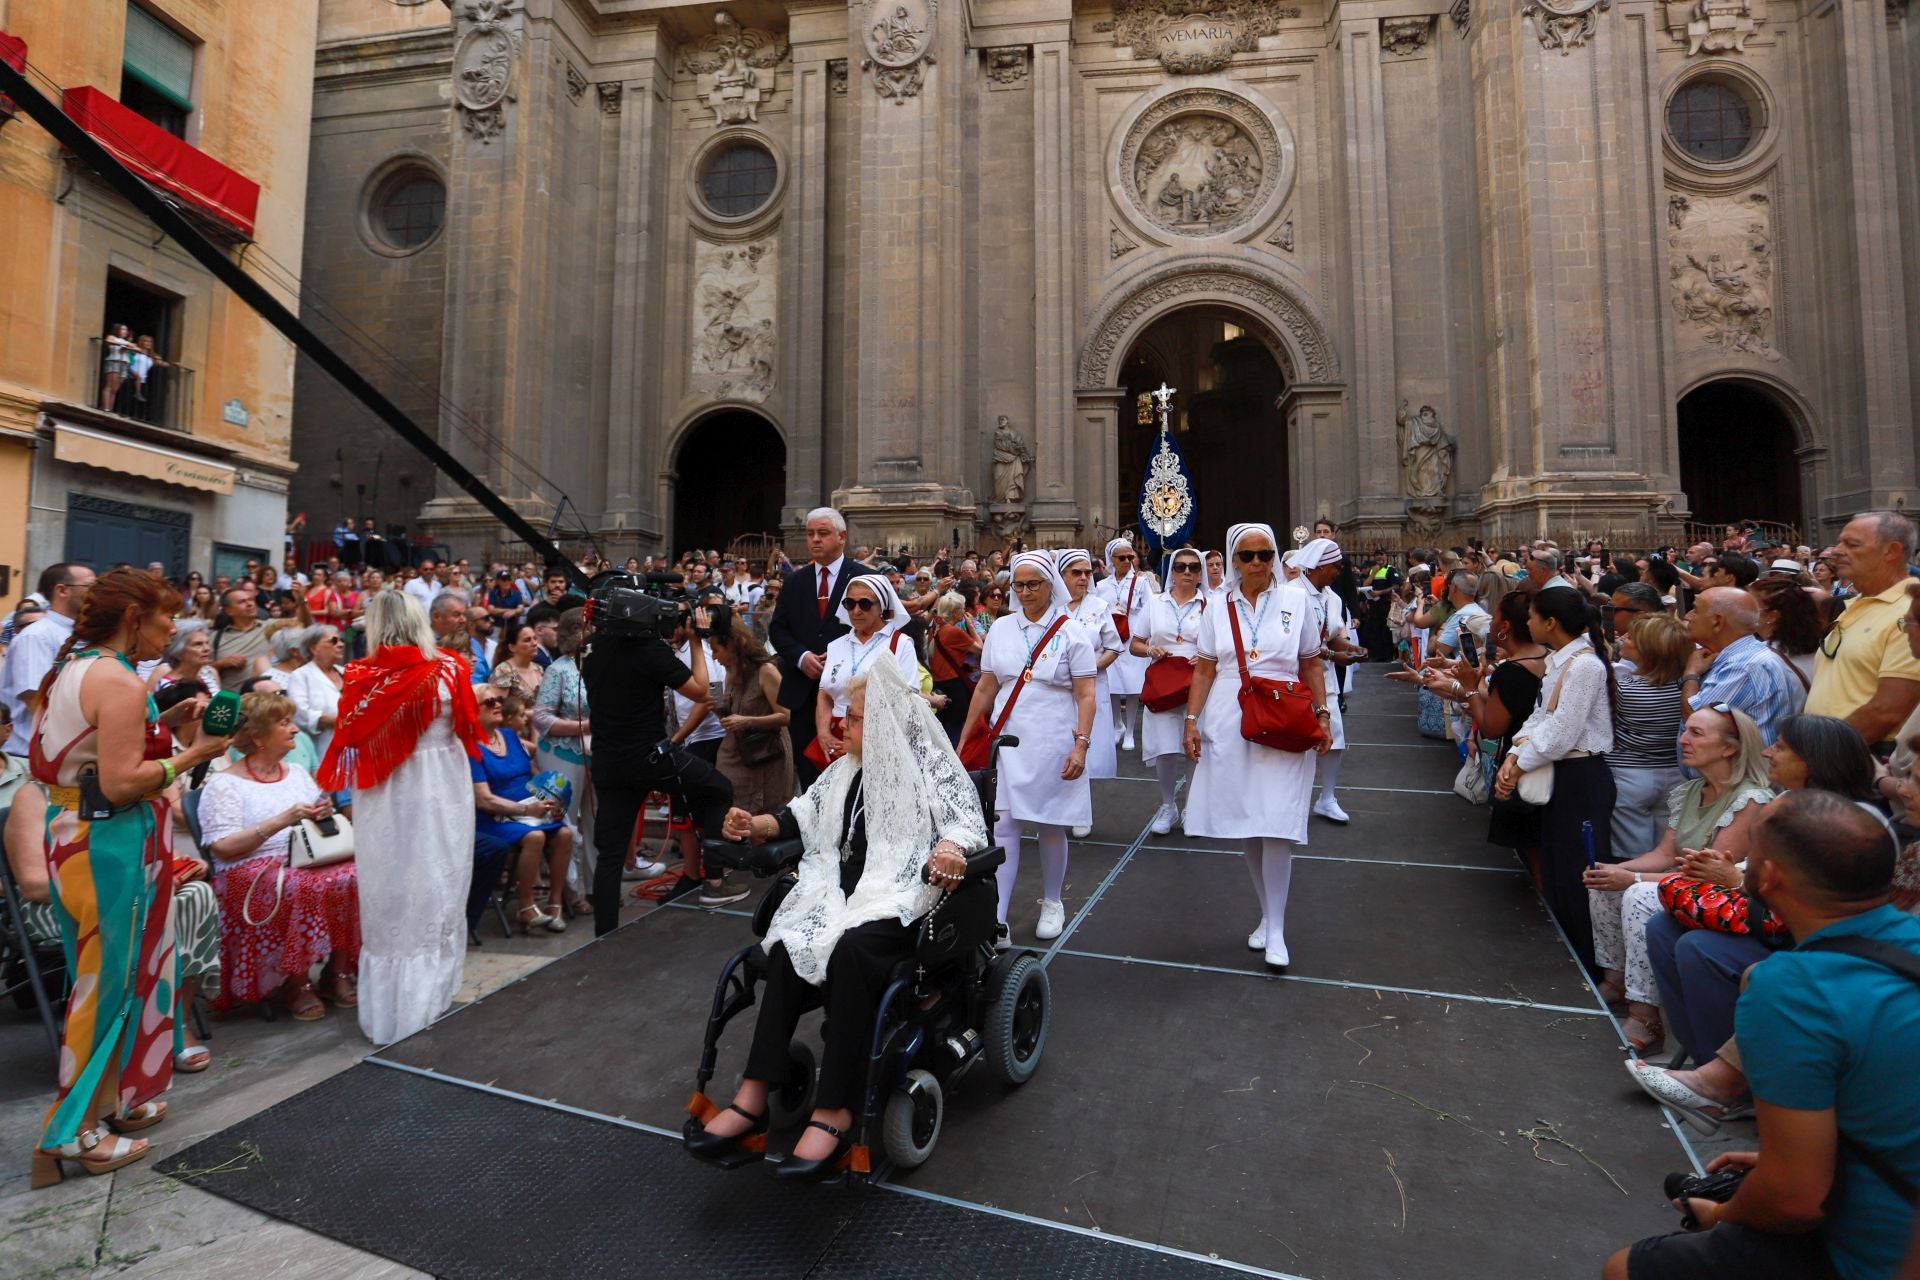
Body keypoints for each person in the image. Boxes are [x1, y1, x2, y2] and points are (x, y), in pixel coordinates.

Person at [688, 658, 987, 1178]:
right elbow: (801, 815)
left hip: (900, 900)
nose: (840, 725)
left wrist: (949, 850)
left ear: (886, 725)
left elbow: (964, 823)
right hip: (838, 897)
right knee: (784, 946)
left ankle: (835, 1109)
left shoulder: (929, 770)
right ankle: (754, 1091)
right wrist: (755, 824)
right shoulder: (843, 771)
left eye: (853, 718)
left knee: (851, 951)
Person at [1604, 790, 1920, 1280]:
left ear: (1768, 876)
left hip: (1869, 1250)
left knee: (1622, 1268)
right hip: (1876, 1183)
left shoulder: (1792, 988)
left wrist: (1723, 1215)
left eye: (1752, 851)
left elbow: (1796, 1199)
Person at [26, 571, 228, 1187]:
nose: (175, 631)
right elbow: (117, 782)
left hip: (76, 837)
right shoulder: (115, 678)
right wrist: (194, 752)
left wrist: (161, 716)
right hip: (109, 842)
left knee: (114, 979)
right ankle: (72, 1134)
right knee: (107, 988)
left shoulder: (73, 668)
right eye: (169, 618)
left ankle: (108, 1105)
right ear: (135, 615)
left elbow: (87, 754)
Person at [314, 592, 481, 1041]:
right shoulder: (448, 669)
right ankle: (428, 1001)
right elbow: (469, 722)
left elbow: (353, 734)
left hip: (383, 791)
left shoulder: (360, 676)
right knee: (435, 885)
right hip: (437, 788)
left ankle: (391, 1011)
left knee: (391, 891)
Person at [1182, 523, 1331, 970]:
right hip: (1231, 717)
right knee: (1249, 820)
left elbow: (1311, 661)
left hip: (1284, 714)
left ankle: (1278, 929)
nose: (1257, 564)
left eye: (1265, 555)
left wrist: (1323, 714)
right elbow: (1205, 669)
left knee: (1279, 822)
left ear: (1275, 555)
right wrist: (1191, 720)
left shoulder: (1296, 600)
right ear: (1233, 561)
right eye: (1247, 557)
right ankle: (1267, 916)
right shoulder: (1216, 606)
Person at [1585, 705, 1773, 1055]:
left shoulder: (1750, 800)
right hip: (1689, 887)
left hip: (1723, 899)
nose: (1683, 740)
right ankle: (1616, 981)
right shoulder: (1690, 791)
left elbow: (1707, 876)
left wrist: (1632, 877)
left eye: (1696, 733)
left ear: (1729, 748)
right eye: (1685, 730)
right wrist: (1615, 870)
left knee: (1638, 893)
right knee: (1606, 883)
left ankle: (1647, 1017)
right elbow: (1666, 854)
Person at [957, 550, 1096, 945]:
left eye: (1034, 584)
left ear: (1050, 584)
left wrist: (1081, 745)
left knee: (1051, 823)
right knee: (1004, 825)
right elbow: (986, 686)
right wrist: (966, 736)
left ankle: (1053, 901)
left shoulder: (1071, 631)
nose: (1026, 591)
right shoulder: (1001, 630)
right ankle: (997, 916)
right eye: (1019, 584)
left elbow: (1086, 694)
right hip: (1010, 741)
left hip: (1055, 739)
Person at [582, 584, 732, 937]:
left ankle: (604, 935)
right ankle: (713, 879)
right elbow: (700, 690)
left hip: (608, 761)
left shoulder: (591, 648)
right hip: (650, 758)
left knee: (611, 855)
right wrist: (695, 641)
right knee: (719, 788)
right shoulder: (649, 650)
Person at [198, 694, 359, 1019]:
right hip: (247, 869)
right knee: (299, 887)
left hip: (305, 856)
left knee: (356, 875)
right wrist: (279, 822)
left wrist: (321, 812)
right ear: (257, 737)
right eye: (284, 723)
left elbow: (316, 819)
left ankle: (336, 973)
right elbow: (223, 847)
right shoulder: (224, 784)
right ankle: (295, 983)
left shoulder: (297, 772)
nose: (295, 730)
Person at [1494, 585, 1618, 974]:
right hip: (1561, 771)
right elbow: (1541, 716)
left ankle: (1596, 964)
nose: (1526, 622)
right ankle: (1579, 957)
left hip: (1581, 774)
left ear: (1550, 623)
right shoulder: (1560, 661)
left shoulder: (1584, 665)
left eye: (1532, 616)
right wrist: (1515, 754)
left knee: (1578, 870)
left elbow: (1564, 730)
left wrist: (1519, 763)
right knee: (1558, 869)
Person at [1807, 511, 1920, 752]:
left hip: (1864, 759)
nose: (1836, 551)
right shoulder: (1857, 602)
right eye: (1839, 542)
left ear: (1891, 551)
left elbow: (1887, 711)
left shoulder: (1912, 609)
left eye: (1851, 544)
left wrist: (1818, 754)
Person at [467, 684, 573, 933]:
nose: (497, 706)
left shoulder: (511, 737)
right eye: (489, 702)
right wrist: (526, 811)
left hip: (530, 809)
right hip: (494, 818)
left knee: (565, 833)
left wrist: (551, 800)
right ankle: (526, 906)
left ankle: (555, 903)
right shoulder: (470, 748)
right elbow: (483, 799)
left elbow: (533, 775)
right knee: (534, 837)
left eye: (498, 701)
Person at [767, 508, 855, 781]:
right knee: (808, 774)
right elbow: (778, 630)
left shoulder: (861, 578)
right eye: (810, 534)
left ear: (842, 536)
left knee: (848, 773)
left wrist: (841, 658)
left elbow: (880, 631)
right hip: (803, 693)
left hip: (848, 697)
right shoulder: (794, 581)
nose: (815, 539)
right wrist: (801, 656)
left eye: (823, 533)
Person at [1132, 547, 1208, 836]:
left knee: (1193, 748)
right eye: (1180, 567)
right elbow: (1135, 644)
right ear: (1171, 572)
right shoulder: (1155, 603)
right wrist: (1151, 649)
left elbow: (1223, 647)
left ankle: (1192, 807)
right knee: (1165, 749)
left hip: (1198, 683)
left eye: (1192, 567)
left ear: (1200, 573)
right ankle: (1167, 805)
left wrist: (1206, 655)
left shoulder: (1210, 606)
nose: (1186, 572)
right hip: (1164, 683)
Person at [1608, 614, 1692, 857]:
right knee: (1665, 855)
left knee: (1633, 856)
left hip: (1629, 775)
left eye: (1631, 638)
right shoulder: (1684, 688)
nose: (1624, 639)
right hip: (1675, 775)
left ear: (1648, 650)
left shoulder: (1622, 689)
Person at [814, 574, 919, 766]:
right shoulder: (836, 646)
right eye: (850, 603)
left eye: (864, 604)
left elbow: (907, 698)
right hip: (836, 739)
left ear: (881, 607)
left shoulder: (900, 644)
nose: (856, 611)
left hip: (877, 737)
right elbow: (825, 694)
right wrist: (823, 732)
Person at [1299, 541, 1367, 825]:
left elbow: (1332, 635)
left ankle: (1327, 798)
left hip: (1324, 677)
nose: (1339, 572)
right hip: (1296, 677)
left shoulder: (1332, 597)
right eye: (1336, 566)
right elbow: (1297, 644)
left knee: (1334, 737)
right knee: (1296, 739)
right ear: (1319, 565)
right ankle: (1295, 799)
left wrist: (1350, 649)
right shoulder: (1290, 593)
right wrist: (1333, 653)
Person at [1683, 588, 1805, 746]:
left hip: (1741, 770)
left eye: (1696, 611)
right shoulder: (1743, 657)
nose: (1687, 616)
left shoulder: (1744, 666)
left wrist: (1690, 674)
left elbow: (1696, 720)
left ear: (1717, 621)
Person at [531, 607, 593, 913]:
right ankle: (571, 893)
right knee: (564, 823)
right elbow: (541, 718)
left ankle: (596, 887)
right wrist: (585, 726)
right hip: (560, 755)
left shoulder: (600, 666)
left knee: (597, 824)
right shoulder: (558, 669)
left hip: (595, 756)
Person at [2, 563, 96, 760]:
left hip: (60, 757)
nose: (96, 594)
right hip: (30, 757)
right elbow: (36, 699)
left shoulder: (81, 634)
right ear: (62, 590)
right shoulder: (37, 636)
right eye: (90, 586)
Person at [1058, 550, 1123, 815]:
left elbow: (1114, 647)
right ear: (1061, 576)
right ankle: (1056, 807)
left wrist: (1087, 669)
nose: (1084, 578)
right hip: (1059, 689)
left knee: (1087, 745)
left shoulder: (1099, 606)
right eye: (1076, 572)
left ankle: (1081, 810)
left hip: (1092, 686)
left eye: (1087, 572)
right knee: (1058, 746)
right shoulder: (1051, 607)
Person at [711, 613, 793, 815]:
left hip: (765, 756)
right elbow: (732, 717)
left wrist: (747, 721)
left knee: (762, 813)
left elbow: (785, 716)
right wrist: (717, 709)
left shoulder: (766, 671)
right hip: (736, 754)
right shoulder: (732, 672)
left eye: (716, 650)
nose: (714, 656)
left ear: (731, 645)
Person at [1096, 538, 1152, 752]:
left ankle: (1129, 730)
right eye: (1122, 558)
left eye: (1130, 557)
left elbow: (1149, 609)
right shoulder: (1101, 585)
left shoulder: (1141, 583)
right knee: (1111, 684)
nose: (1127, 561)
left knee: (1132, 686)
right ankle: (1116, 724)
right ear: (1112, 559)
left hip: (1133, 639)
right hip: (1110, 639)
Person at [1746, 576, 1821, 691]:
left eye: (1749, 605)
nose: (1742, 609)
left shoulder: (1761, 661)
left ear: (1772, 616)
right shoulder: (1819, 650)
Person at [286, 625, 346, 765]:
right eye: (333, 641)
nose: (341, 644)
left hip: (355, 748)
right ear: (314, 649)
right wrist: (345, 722)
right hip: (323, 750)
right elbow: (301, 714)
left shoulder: (347, 672)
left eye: (341, 640)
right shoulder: (301, 676)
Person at [925, 591, 980, 744]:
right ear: (956, 613)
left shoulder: (934, 629)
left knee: (942, 730)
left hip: (938, 686)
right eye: (962, 608)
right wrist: (971, 627)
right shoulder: (953, 631)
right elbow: (981, 649)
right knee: (954, 731)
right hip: (954, 687)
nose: (965, 611)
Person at [208, 587, 271, 694]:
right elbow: (201, 672)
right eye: (242, 602)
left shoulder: (271, 627)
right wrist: (221, 664)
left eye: (251, 600)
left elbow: (302, 624)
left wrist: (301, 601)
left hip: (264, 701)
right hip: (232, 701)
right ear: (229, 610)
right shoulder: (215, 638)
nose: (250, 604)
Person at [489, 617, 545, 701]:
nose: (534, 643)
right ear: (512, 647)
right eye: (527, 640)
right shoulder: (504, 671)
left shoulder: (539, 669)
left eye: (535, 638)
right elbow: (499, 706)